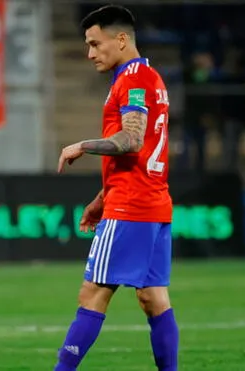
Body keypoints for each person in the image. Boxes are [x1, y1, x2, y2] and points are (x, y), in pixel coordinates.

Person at [55, 5, 178, 371]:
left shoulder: (133, 79)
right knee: (153, 298)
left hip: (132, 207)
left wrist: (82, 145)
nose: (90, 53)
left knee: (92, 293)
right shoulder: (149, 76)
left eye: (95, 44)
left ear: (121, 40)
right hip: (153, 203)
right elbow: (135, 158)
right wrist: (100, 199)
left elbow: (132, 140)